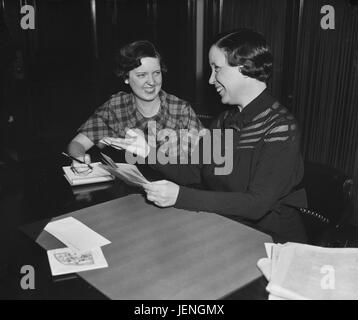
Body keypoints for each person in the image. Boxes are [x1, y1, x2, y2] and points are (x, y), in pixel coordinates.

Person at [67, 40, 203, 168]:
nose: (151, 81)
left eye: (156, 73)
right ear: (126, 77)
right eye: (142, 75)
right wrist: (80, 159)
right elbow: (77, 143)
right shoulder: (116, 107)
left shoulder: (181, 110)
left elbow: (205, 161)